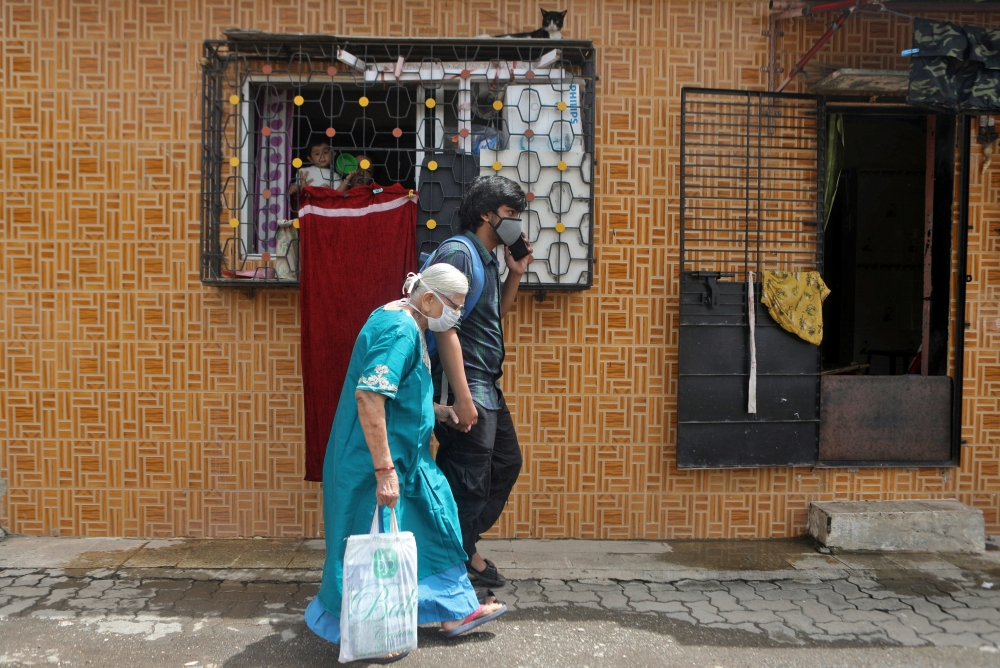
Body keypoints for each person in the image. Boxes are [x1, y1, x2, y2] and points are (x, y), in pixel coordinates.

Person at [305, 264, 506, 662]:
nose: (458, 317)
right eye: (455, 307)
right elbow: (370, 396)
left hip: (406, 458)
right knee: (375, 549)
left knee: (437, 522)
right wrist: (384, 472)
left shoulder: (403, 314)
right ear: (429, 298)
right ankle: (373, 632)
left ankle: (454, 610)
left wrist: (436, 411)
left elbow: (398, 389)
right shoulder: (399, 331)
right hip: (375, 462)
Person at [430, 175, 533, 589]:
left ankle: (462, 547)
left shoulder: (487, 259)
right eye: (510, 214)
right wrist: (463, 398)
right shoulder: (458, 253)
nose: (516, 224)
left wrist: (516, 273)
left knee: (505, 465)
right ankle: (452, 567)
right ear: (487, 214)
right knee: (467, 482)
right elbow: (441, 325)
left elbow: (494, 315)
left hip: (488, 383)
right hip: (466, 385)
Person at [288, 141, 368, 197]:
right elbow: (298, 185)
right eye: (317, 154)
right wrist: (294, 187)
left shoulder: (335, 175)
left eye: (325, 152)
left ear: (333, 154)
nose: (322, 156)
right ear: (310, 159)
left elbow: (339, 192)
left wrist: (347, 180)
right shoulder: (303, 171)